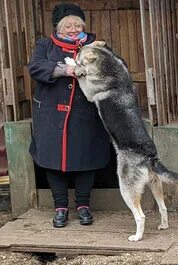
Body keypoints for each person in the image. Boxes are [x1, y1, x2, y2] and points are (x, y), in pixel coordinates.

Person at [28, 3, 110, 228]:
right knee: (53, 161)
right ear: (58, 27)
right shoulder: (45, 45)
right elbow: (35, 67)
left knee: (86, 159)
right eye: (68, 25)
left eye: (77, 24)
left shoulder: (96, 45)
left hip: (85, 114)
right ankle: (60, 207)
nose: (73, 29)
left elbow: (110, 69)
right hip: (51, 115)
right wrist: (66, 70)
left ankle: (83, 206)